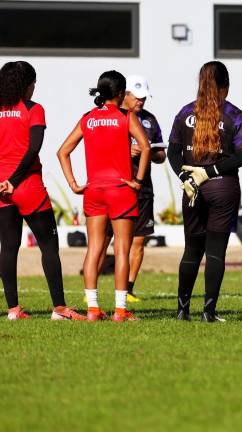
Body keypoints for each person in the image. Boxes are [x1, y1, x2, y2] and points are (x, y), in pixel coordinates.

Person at [0, 61, 84, 320]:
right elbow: (34, 148)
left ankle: (13, 310)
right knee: (49, 246)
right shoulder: (34, 109)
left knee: (8, 248)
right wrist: (14, 180)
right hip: (27, 186)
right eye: (33, 83)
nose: (34, 88)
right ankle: (59, 309)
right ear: (26, 85)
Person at [57, 70, 150, 322]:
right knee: (122, 249)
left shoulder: (87, 118)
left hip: (94, 190)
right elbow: (145, 147)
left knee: (94, 249)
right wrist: (138, 181)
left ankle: (93, 310)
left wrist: (74, 184)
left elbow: (62, 151)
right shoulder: (126, 116)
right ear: (120, 94)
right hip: (121, 190)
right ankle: (120, 311)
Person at [167, 61, 242, 322]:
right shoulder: (235, 115)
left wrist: (186, 176)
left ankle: (182, 310)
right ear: (226, 84)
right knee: (215, 251)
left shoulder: (184, 112)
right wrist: (211, 172)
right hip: (222, 187)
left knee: (192, 250)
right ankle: (208, 312)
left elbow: (172, 151)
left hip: (192, 188)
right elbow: (241, 156)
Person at [98, 75, 166, 302]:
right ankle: (92, 290)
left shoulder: (150, 120)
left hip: (143, 189)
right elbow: (99, 149)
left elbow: (161, 155)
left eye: (144, 98)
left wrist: (149, 151)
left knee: (138, 240)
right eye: (137, 98)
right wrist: (127, 151)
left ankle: (128, 289)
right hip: (115, 187)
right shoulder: (110, 118)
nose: (141, 102)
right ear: (124, 95)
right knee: (105, 239)